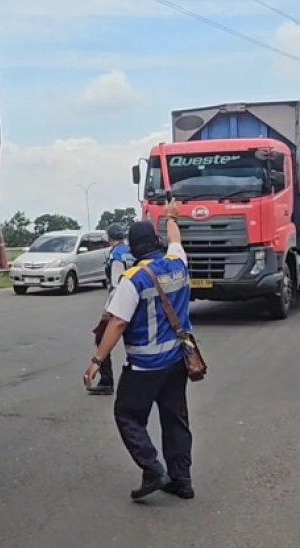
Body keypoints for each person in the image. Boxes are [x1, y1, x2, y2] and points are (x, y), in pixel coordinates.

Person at [84, 202, 195, 501]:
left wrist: (97, 360)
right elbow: (176, 241)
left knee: (127, 416)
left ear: (133, 249)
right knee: (175, 420)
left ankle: (153, 469)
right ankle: (181, 480)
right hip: (177, 361)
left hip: (145, 366)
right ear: (156, 243)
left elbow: (118, 322)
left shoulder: (132, 279)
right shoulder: (177, 263)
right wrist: (171, 217)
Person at [87, 223, 135, 396]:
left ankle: (106, 380)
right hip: (136, 299)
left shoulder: (116, 256)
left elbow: (116, 285)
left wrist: (109, 310)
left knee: (102, 339)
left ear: (108, 238)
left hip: (120, 303)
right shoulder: (130, 251)